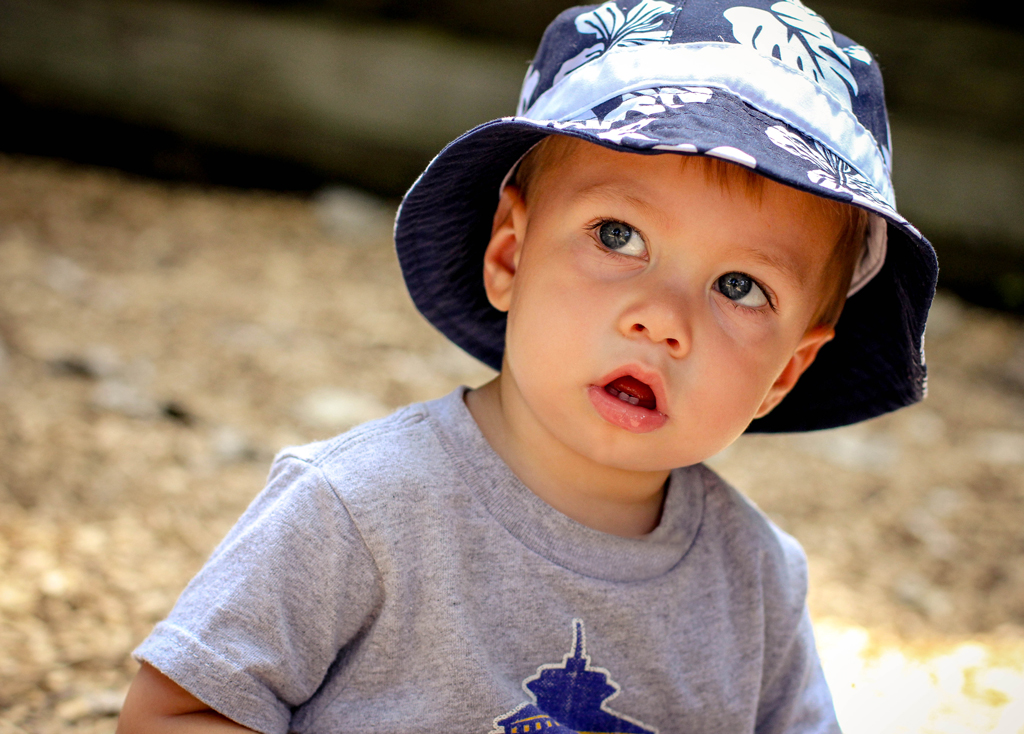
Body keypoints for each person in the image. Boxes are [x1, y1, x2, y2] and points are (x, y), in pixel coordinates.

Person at [117, 0, 937, 732]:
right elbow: (175, 710)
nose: (662, 319)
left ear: (786, 372)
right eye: (618, 236)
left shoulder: (755, 583)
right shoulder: (359, 511)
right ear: (509, 253)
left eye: (738, 286)